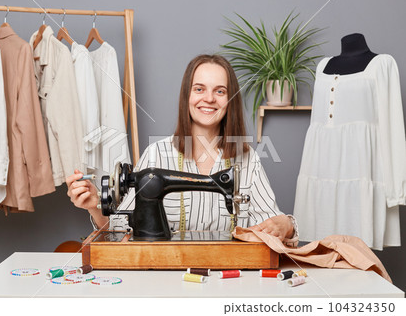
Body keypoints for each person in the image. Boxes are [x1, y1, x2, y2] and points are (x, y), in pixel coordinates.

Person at [66, 54, 298, 246]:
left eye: (220, 91)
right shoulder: (156, 154)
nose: (209, 99)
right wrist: (95, 205)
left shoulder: (247, 160)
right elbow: (119, 229)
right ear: (187, 95)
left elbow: (272, 223)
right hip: (166, 276)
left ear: (230, 100)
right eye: (199, 89)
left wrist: (286, 225)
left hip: (228, 276)